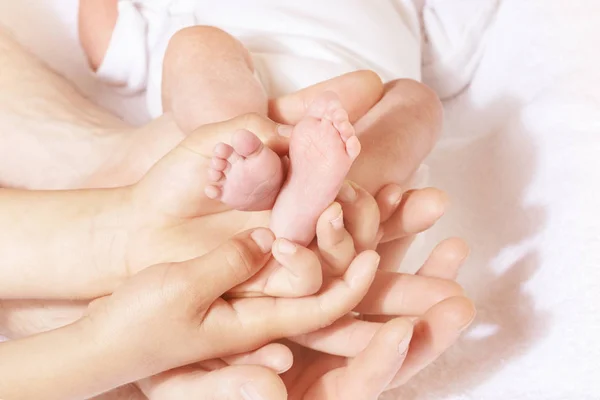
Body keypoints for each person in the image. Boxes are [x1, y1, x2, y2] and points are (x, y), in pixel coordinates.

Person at [0, 24, 473, 400]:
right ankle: (289, 190)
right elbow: (108, 43)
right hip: (311, 110)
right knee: (198, 45)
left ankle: (283, 189)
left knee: (415, 97)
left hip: (338, 111)